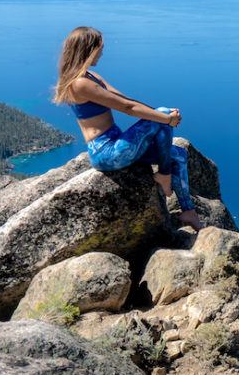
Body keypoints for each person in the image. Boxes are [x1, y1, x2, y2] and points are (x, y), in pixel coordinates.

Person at [51, 25, 203, 230]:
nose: (102, 52)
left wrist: (163, 115)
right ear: (88, 49)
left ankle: (188, 212)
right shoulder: (80, 84)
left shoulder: (92, 77)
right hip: (106, 152)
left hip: (119, 145)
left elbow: (126, 99)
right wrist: (166, 118)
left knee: (179, 154)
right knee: (162, 117)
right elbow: (127, 108)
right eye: (99, 48)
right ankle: (164, 176)